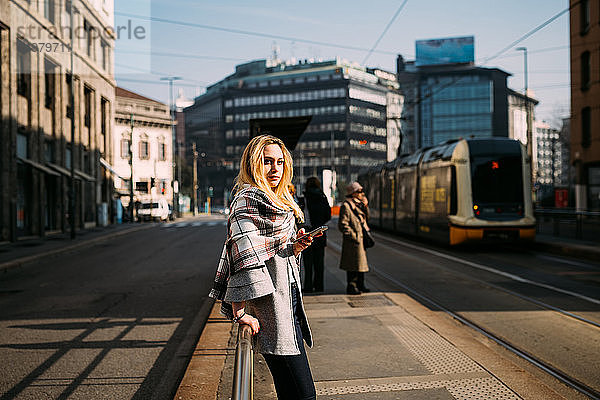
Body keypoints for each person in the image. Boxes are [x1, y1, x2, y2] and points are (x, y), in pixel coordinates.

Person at [209, 134, 318, 400]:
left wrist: (294, 246)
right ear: (253, 164)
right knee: (305, 395)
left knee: (290, 392)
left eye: (280, 162)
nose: (275, 169)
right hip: (272, 313)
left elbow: (270, 253)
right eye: (267, 161)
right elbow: (242, 256)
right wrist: (239, 312)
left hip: (289, 304)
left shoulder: (279, 202)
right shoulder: (246, 201)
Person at [338, 181, 371, 295]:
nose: (362, 193)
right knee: (353, 264)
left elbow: (367, 218)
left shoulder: (359, 204)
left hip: (360, 239)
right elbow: (343, 224)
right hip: (353, 241)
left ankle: (361, 285)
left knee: (360, 264)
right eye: (359, 191)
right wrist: (354, 236)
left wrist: (365, 206)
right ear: (353, 193)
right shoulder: (346, 206)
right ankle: (352, 286)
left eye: (362, 191)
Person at [300, 177, 331, 293]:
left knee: (308, 264)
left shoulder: (304, 199)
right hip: (320, 233)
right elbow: (328, 215)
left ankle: (308, 286)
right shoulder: (323, 198)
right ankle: (319, 286)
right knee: (319, 263)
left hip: (308, 233)